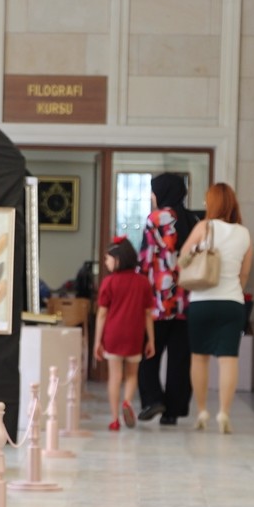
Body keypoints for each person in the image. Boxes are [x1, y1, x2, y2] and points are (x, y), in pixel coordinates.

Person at [181, 183, 253, 434]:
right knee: (228, 360)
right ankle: (224, 412)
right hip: (233, 303)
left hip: (203, 300)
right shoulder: (244, 233)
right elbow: (244, 274)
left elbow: (183, 257)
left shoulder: (204, 227)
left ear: (211, 203)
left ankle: (202, 411)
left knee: (199, 358)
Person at [136, 173, 198, 425]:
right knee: (180, 359)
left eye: (153, 191)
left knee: (147, 352)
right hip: (187, 300)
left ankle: (153, 399)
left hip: (159, 302)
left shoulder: (156, 219)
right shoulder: (193, 219)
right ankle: (173, 410)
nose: (152, 196)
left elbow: (146, 257)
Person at [93, 237, 155, 431]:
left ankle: (114, 419)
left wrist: (97, 341)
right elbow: (147, 314)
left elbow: (102, 314)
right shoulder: (143, 282)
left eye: (107, 259)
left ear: (117, 259)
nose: (105, 262)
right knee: (131, 375)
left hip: (113, 334)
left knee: (114, 377)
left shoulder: (108, 282)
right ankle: (127, 402)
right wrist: (151, 339)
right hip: (135, 335)